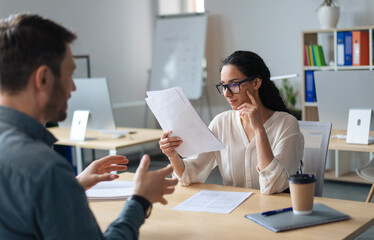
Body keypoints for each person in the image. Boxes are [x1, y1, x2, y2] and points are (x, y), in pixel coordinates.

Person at [0, 13, 178, 239]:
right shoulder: (46, 169)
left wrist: (71, 186)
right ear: (43, 78)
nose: (73, 88)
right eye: (70, 74)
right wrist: (139, 201)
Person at [159, 50, 304, 194]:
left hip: (274, 211)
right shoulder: (221, 122)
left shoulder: (287, 124)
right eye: (223, 86)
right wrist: (172, 155)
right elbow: (190, 174)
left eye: (234, 85)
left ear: (256, 82)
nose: (227, 94)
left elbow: (273, 186)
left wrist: (259, 129)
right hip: (234, 210)